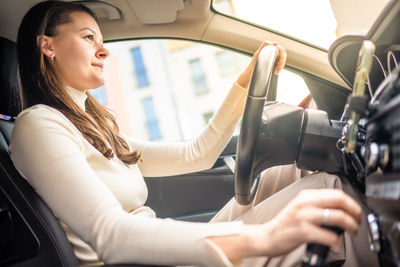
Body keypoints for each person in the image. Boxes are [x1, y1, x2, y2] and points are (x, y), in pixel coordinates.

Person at [9, 1, 362, 267]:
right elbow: (111, 236)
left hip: (157, 257)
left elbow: (197, 154)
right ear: (48, 46)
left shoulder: (96, 125)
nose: (104, 50)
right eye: (88, 38)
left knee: (295, 168)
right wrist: (263, 236)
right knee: (328, 197)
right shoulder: (38, 126)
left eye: (102, 40)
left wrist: (244, 83)